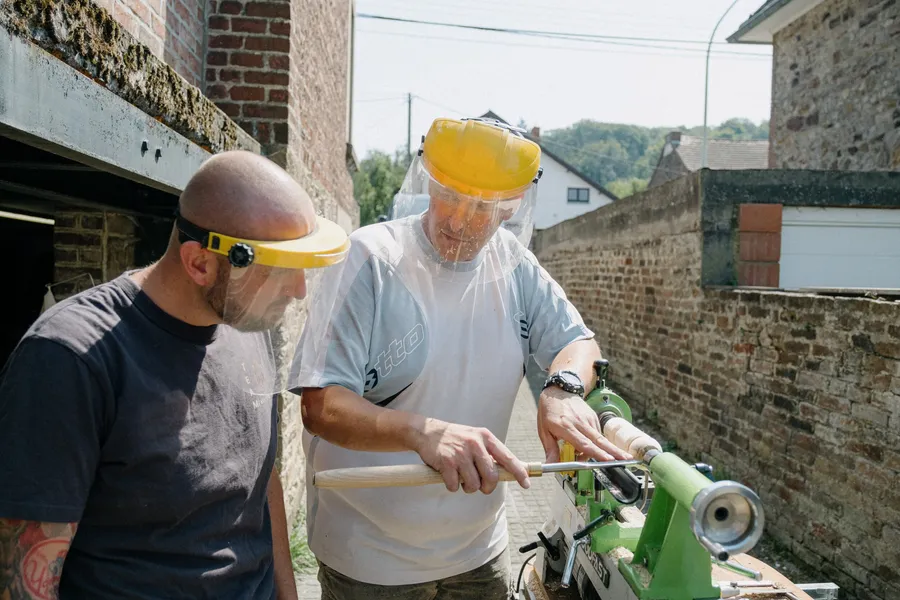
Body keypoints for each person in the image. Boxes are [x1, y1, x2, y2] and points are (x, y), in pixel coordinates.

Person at [291, 117, 631, 599]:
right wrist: (423, 431)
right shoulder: (370, 258)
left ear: (510, 208)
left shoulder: (513, 265)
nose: (456, 221)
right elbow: (321, 405)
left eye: (481, 207)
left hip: (478, 553)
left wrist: (563, 389)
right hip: (368, 559)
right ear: (427, 180)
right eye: (447, 194)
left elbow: (579, 344)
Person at [0, 150, 350, 599]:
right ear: (200, 263)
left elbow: (262, 482)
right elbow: (26, 582)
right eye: (280, 270)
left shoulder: (244, 322)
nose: (300, 290)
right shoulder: (69, 358)